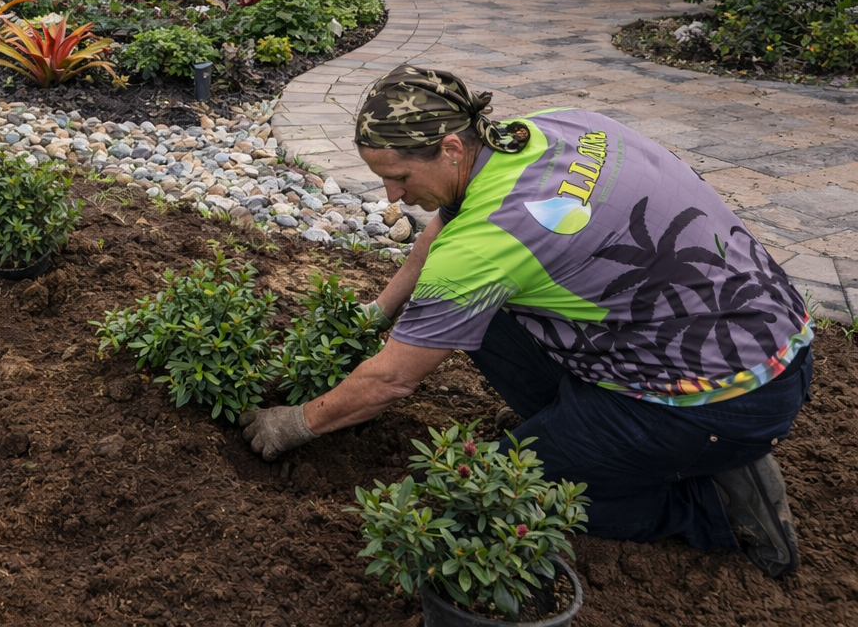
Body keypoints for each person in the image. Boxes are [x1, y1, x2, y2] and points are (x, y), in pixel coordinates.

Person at [239, 65, 812, 578]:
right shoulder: (546, 130)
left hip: (721, 397)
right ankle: (584, 431)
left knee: (500, 495)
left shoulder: (491, 243)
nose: (392, 196)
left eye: (399, 178)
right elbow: (444, 233)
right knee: (467, 314)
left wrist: (295, 424)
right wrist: (377, 312)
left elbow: (391, 380)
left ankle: (711, 502)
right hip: (767, 332)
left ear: (451, 149)